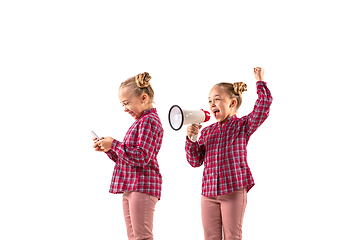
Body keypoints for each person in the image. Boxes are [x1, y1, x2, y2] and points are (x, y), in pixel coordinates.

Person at [185, 67, 272, 240]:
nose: (212, 104)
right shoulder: (207, 132)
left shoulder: (243, 126)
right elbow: (195, 161)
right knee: (210, 237)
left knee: (233, 236)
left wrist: (260, 82)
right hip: (208, 193)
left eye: (217, 99)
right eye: (209, 100)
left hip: (233, 190)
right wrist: (191, 139)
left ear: (232, 103)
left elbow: (262, 108)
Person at [93, 72, 163, 240]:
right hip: (131, 185)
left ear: (143, 98)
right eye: (122, 104)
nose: (124, 108)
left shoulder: (149, 121)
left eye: (126, 103)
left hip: (142, 185)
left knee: (142, 236)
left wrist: (115, 144)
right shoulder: (140, 122)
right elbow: (128, 158)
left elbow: (142, 157)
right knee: (134, 237)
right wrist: (108, 149)